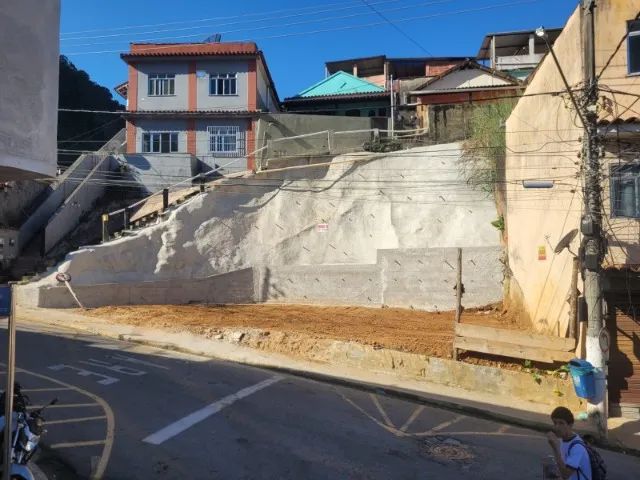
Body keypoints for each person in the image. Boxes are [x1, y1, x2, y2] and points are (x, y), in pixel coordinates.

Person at [546, 406, 592, 480]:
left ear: (570, 425)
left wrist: (555, 449)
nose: (557, 427)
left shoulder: (577, 447)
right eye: (555, 423)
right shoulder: (563, 440)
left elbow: (565, 475)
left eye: (561, 423)